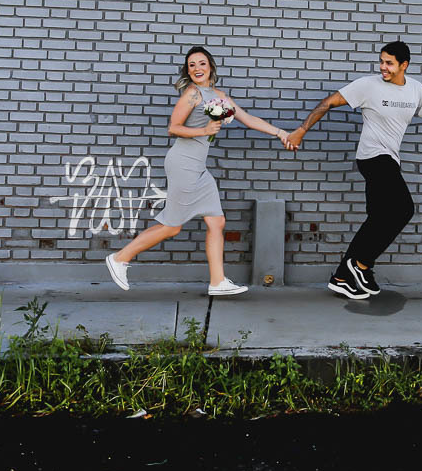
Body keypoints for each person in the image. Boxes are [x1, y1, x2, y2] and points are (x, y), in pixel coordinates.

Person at [105, 46, 295, 296]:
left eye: (201, 63)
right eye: (192, 65)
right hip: (183, 163)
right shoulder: (193, 95)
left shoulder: (217, 96)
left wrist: (281, 133)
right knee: (172, 226)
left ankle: (217, 282)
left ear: (211, 67)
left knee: (216, 220)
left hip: (198, 167)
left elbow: (248, 119)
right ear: (187, 70)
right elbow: (173, 128)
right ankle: (120, 258)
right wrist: (204, 131)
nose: (197, 68)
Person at [286, 41, 422, 300]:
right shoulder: (367, 85)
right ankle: (361, 265)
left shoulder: (416, 90)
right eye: (381, 61)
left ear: (404, 65)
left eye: (389, 63)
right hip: (373, 157)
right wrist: (302, 130)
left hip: (390, 159)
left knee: (378, 218)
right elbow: (328, 103)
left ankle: (340, 278)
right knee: (404, 209)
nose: (383, 67)